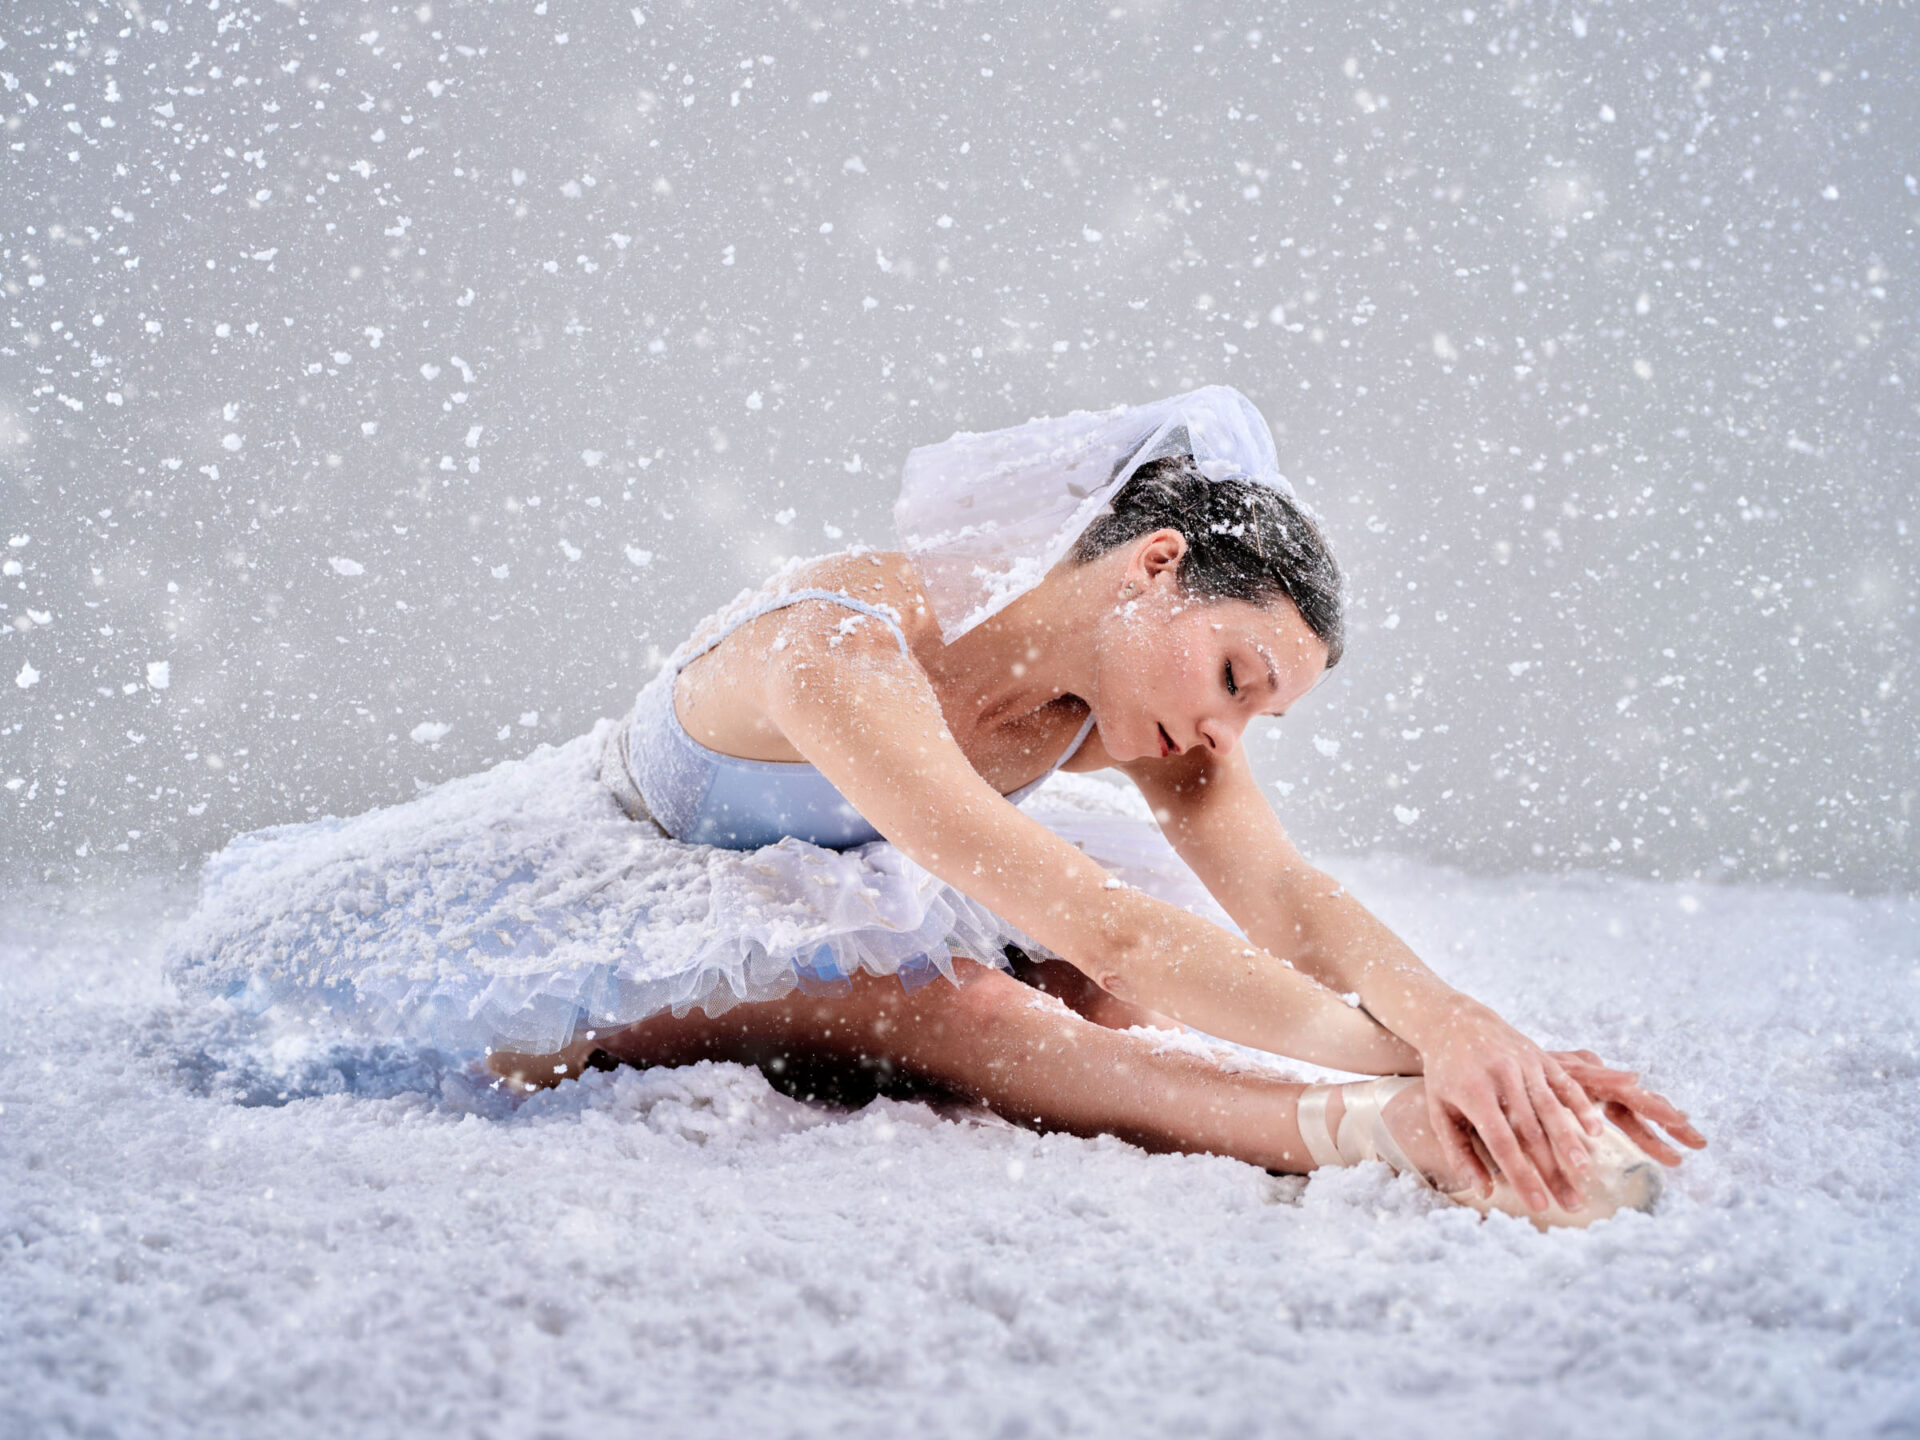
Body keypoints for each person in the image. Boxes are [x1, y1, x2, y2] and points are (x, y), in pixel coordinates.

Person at [167, 387, 1704, 1228]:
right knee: (953, 1002)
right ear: (1156, 565)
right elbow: (1086, 906)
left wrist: (1473, 1023)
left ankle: (1437, 1111)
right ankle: (1373, 1137)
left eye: (1264, 709)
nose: (1228, 731)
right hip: (632, 866)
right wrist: (1412, 1060)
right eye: (1236, 676)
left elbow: (1294, 909)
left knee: (1086, 981)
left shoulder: (1148, 719)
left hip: (867, 879)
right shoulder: (842, 644)